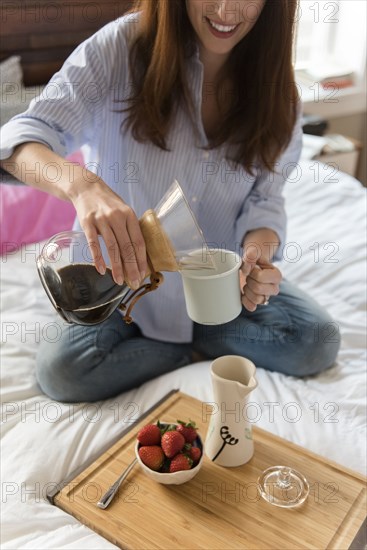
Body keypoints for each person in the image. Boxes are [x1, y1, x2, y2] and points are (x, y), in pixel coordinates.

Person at [0, 0, 340, 402]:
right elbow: (20, 141)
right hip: (122, 283)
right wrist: (83, 185)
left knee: (316, 342)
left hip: (218, 285)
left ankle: (196, 339)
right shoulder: (118, 48)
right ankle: (191, 352)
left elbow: (265, 201)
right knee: (64, 372)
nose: (227, 10)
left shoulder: (278, 94)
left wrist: (258, 257)